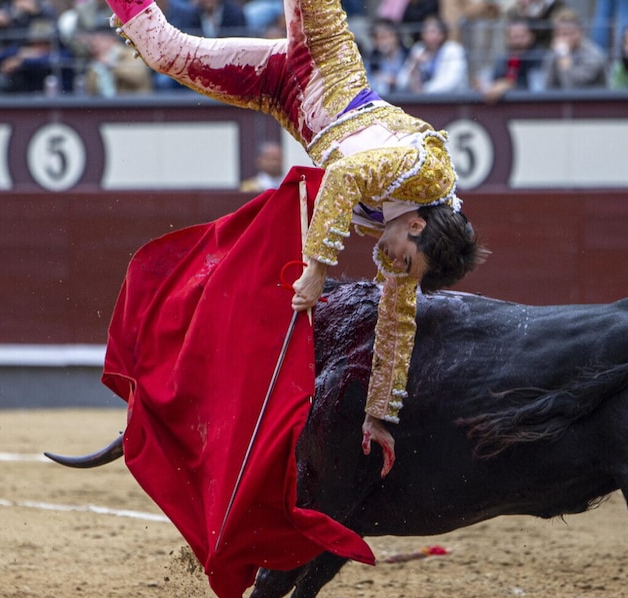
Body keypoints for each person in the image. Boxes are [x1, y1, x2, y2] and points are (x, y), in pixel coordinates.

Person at [104, 0, 487, 475]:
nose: (393, 264)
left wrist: (378, 415)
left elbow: (396, 317)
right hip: (322, 56)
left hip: (281, 95)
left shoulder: (407, 237)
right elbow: (345, 175)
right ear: (416, 227)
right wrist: (317, 268)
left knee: (163, 52)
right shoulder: (428, 173)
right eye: (406, 261)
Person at [0, 18, 76, 94]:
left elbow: (55, 59)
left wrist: (22, 61)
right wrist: (20, 53)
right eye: (36, 43)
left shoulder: (63, 53)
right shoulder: (24, 52)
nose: (39, 47)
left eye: (44, 43)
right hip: (28, 98)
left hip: (59, 100)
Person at [397, 15, 469, 93]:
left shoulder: (453, 49)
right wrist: (415, 64)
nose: (429, 36)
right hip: (423, 100)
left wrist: (424, 90)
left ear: (442, 34)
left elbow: (451, 83)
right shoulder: (418, 49)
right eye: (426, 32)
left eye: (433, 32)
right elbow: (401, 81)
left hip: (452, 100)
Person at [481, 18, 546, 100]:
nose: (518, 42)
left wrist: (508, 85)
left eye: (522, 37)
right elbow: (492, 80)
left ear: (532, 36)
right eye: (514, 37)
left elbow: (536, 89)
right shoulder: (503, 58)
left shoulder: (538, 57)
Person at [541, 10, 607, 89]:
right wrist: (552, 56)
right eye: (558, 34)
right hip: (561, 100)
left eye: (566, 33)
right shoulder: (556, 51)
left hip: (590, 99)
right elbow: (547, 85)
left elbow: (573, 87)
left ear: (579, 33)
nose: (561, 38)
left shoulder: (593, 55)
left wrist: (564, 55)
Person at [80, 26, 152, 95]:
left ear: (111, 40)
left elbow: (138, 77)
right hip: (104, 104)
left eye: (98, 41)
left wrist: (110, 65)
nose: (95, 45)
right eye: (93, 42)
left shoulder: (129, 54)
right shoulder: (95, 61)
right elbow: (90, 90)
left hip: (134, 103)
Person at [365, 18, 409, 94]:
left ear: (395, 36)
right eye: (377, 38)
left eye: (384, 37)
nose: (381, 42)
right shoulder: (372, 59)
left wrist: (394, 80)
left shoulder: (407, 55)